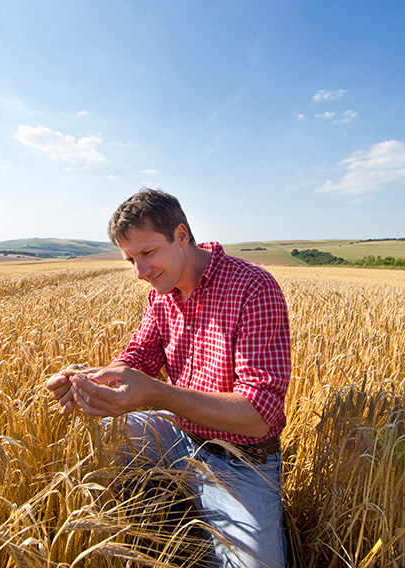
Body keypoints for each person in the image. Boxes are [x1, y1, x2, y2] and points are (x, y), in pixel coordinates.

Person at [46, 188, 291, 568]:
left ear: (181, 235)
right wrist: (89, 384)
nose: (140, 273)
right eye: (130, 260)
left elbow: (259, 413)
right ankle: (158, 515)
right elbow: (137, 358)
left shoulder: (253, 288)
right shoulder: (162, 295)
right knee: (94, 446)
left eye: (147, 253)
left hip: (241, 461)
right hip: (176, 436)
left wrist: (158, 395)